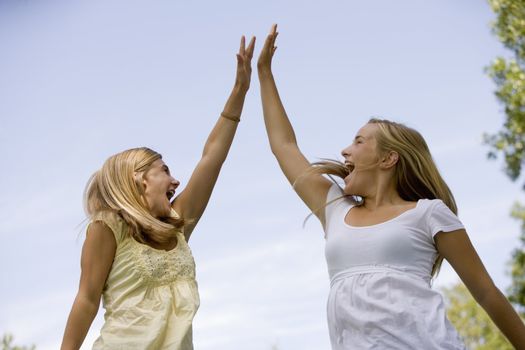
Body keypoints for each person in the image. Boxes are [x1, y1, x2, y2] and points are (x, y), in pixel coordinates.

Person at [257, 24, 525, 349]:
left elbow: (486, 292)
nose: (345, 151)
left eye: (358, 141)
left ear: (388, 159)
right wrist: (265, 76)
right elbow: (284, 145)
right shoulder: (335, 211)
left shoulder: (429, 214)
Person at [60, 35, 256, 350]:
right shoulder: (108, 228)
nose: (176, 181)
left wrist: (239, 92)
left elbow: (212, 158)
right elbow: (85, 299)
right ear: (139, 179)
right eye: (165, 171)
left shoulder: (177, 226)